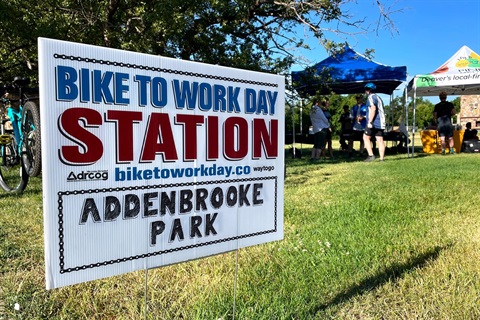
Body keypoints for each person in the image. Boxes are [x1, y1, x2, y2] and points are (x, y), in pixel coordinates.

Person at [363, 83, 386, 162]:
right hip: (381, 121)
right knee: (380, 139)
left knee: (365, 137)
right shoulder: (378, 97)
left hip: (374, 122)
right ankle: (381, 159)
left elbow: (373, 109)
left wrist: (370, 121)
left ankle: (371, 155)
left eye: (366, 89)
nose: (365, 91)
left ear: (369, 90)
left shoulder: (371, 97)